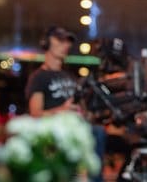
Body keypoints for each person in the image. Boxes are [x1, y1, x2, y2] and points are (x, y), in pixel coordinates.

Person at [25, 26, 106, 182]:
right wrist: (63, 110)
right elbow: (35, 114)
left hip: (76, 130)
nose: (66, 45)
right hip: (54, 132)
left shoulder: (70, 77)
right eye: (60, 40)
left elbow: (81, 107)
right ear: (46, 43)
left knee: (98, 131)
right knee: (97, 133)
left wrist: (86, 113)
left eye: (68, 41)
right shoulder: (38, 77)